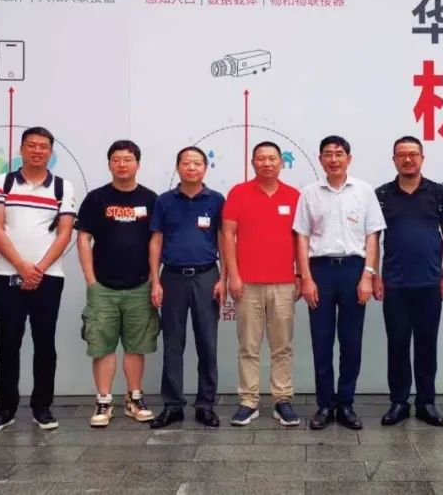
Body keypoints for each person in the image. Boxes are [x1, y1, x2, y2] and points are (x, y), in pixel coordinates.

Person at [0, 126, 77, 434]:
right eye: (31, 145)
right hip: (7, 275)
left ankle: (42, 407)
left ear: (51, 151)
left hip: (49, 277)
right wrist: (23, 267)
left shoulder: (62, 187)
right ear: (21, 149)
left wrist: (39, 269)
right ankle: (5, 409)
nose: (37, 151)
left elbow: (64, 233)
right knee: (8, 343)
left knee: (45, 343)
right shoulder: (2, 183)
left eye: (43, 146)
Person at [293, 135, 386, 430]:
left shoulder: (364, 191)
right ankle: (324, 405)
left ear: (349, 158)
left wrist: (368, 275)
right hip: (320, 270)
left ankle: (345, 404)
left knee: (351, 341)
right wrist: (306, 278)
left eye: (339, 153)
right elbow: (301, 237)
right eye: (328, 154)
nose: (333, 159)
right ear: (320, 159)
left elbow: (373, 236)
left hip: (354, 270)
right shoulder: (309, 193)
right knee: (321, 341)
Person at [76, 140, 160, 427]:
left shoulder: (150, 199)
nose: (122, 164)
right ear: (109, 164)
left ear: (138, 163)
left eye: (127, 159)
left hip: (140, 285)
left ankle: (134, 398)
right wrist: (91, 280)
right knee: (102, 346)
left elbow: (156, 241)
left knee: (136, 346)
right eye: (116, 159)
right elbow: (83, 238)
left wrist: (154, 279)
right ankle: (103, 400)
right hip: (103, 287)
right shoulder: (97, 198)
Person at [374, 136, 443, 428]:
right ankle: (398, 402)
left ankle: (426, 402)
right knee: (397, 344)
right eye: (401, 155)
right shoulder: (382, 195)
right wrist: (375, 276)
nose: (407, 159)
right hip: (394, 283)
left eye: (413, 154)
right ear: (394, 159)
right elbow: (373, 239)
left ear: (422, 158)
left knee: (426, 344)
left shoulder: (437, 192)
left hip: (429, 283)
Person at [223, 141, 302, 427]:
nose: (267, 163)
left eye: (272, 158)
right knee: (248, 345)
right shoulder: (239, 192)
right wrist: (233, 275)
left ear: (281, 162)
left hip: (283, 283)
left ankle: (282, 400)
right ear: (253, 162)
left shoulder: (294, 195)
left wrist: (300, 275)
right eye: (261, 158)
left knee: (282, 346)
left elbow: (300, 238)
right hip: (247, 284)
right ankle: (248, 401)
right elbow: (228, 235)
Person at [149, 146, 226, 428]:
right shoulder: (164, 201)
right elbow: (156, 240)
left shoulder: (216, 200)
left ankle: (206, 405)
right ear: (177, 167)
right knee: (173, 343)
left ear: (205, 168)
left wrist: (224, 278)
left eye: (197, 163)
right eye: (186, 163)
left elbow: (224, 240)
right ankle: (172, 405)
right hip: (172, 277)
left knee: (208, 343)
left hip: (207, 277)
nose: (191, 168)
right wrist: (155, 280)